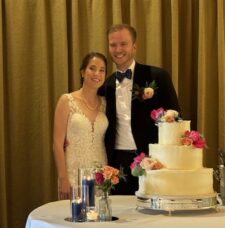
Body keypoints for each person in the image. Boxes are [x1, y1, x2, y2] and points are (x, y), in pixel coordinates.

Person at [100, 24, 180, 195]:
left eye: (123, 44)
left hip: (153, 160)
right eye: (113, 45)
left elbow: (176, 117)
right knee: (121, 217)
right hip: (117, 164)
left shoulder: (157, 76)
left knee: (153, 218)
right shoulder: (105, 84)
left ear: (134, 46)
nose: (118, 49)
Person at [53, 52, 108, 200]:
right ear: (83, 72)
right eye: (92, 68)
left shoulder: (105, 103)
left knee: (99, 219)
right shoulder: (67, 100)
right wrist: (63, 178)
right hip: (73, 173)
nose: (97, 73)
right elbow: (57, 143)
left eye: (102, 70)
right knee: (73, 219)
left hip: (100, 174)